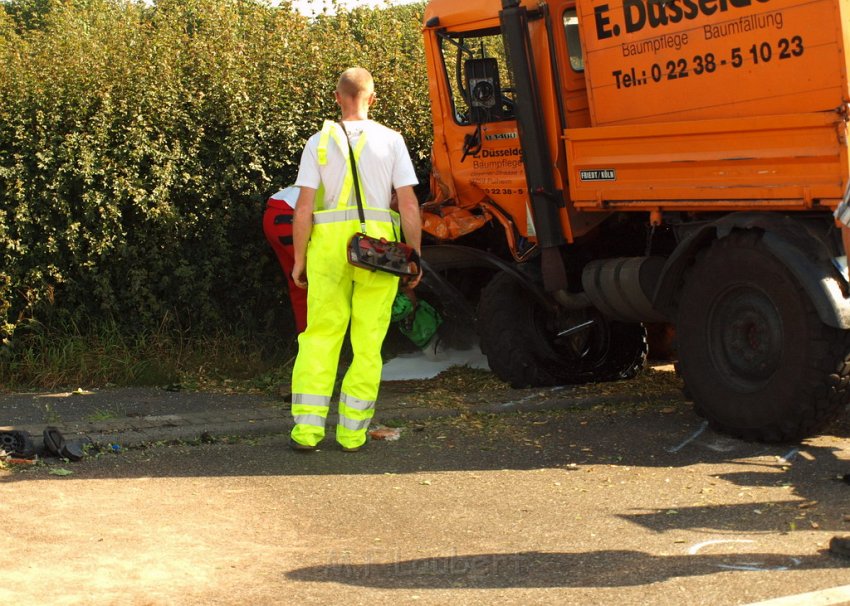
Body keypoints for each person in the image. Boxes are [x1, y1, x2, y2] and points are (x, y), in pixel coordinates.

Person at [288, 67, 422, 452]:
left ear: (337, 98)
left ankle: (307, 432)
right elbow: (409, 204)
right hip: (378, 252)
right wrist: (414, 256)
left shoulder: (318, 142)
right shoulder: (392, 141)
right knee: (368, 343)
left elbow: (304, 207)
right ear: (373, 99)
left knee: (320, 338)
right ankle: (351, 434)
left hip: (328, 251)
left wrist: (300, 259)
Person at [262, 186, 308, 334]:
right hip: (291, 217)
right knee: (323, 286)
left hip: (276, 213)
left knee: (301, 287)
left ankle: (307, 350)